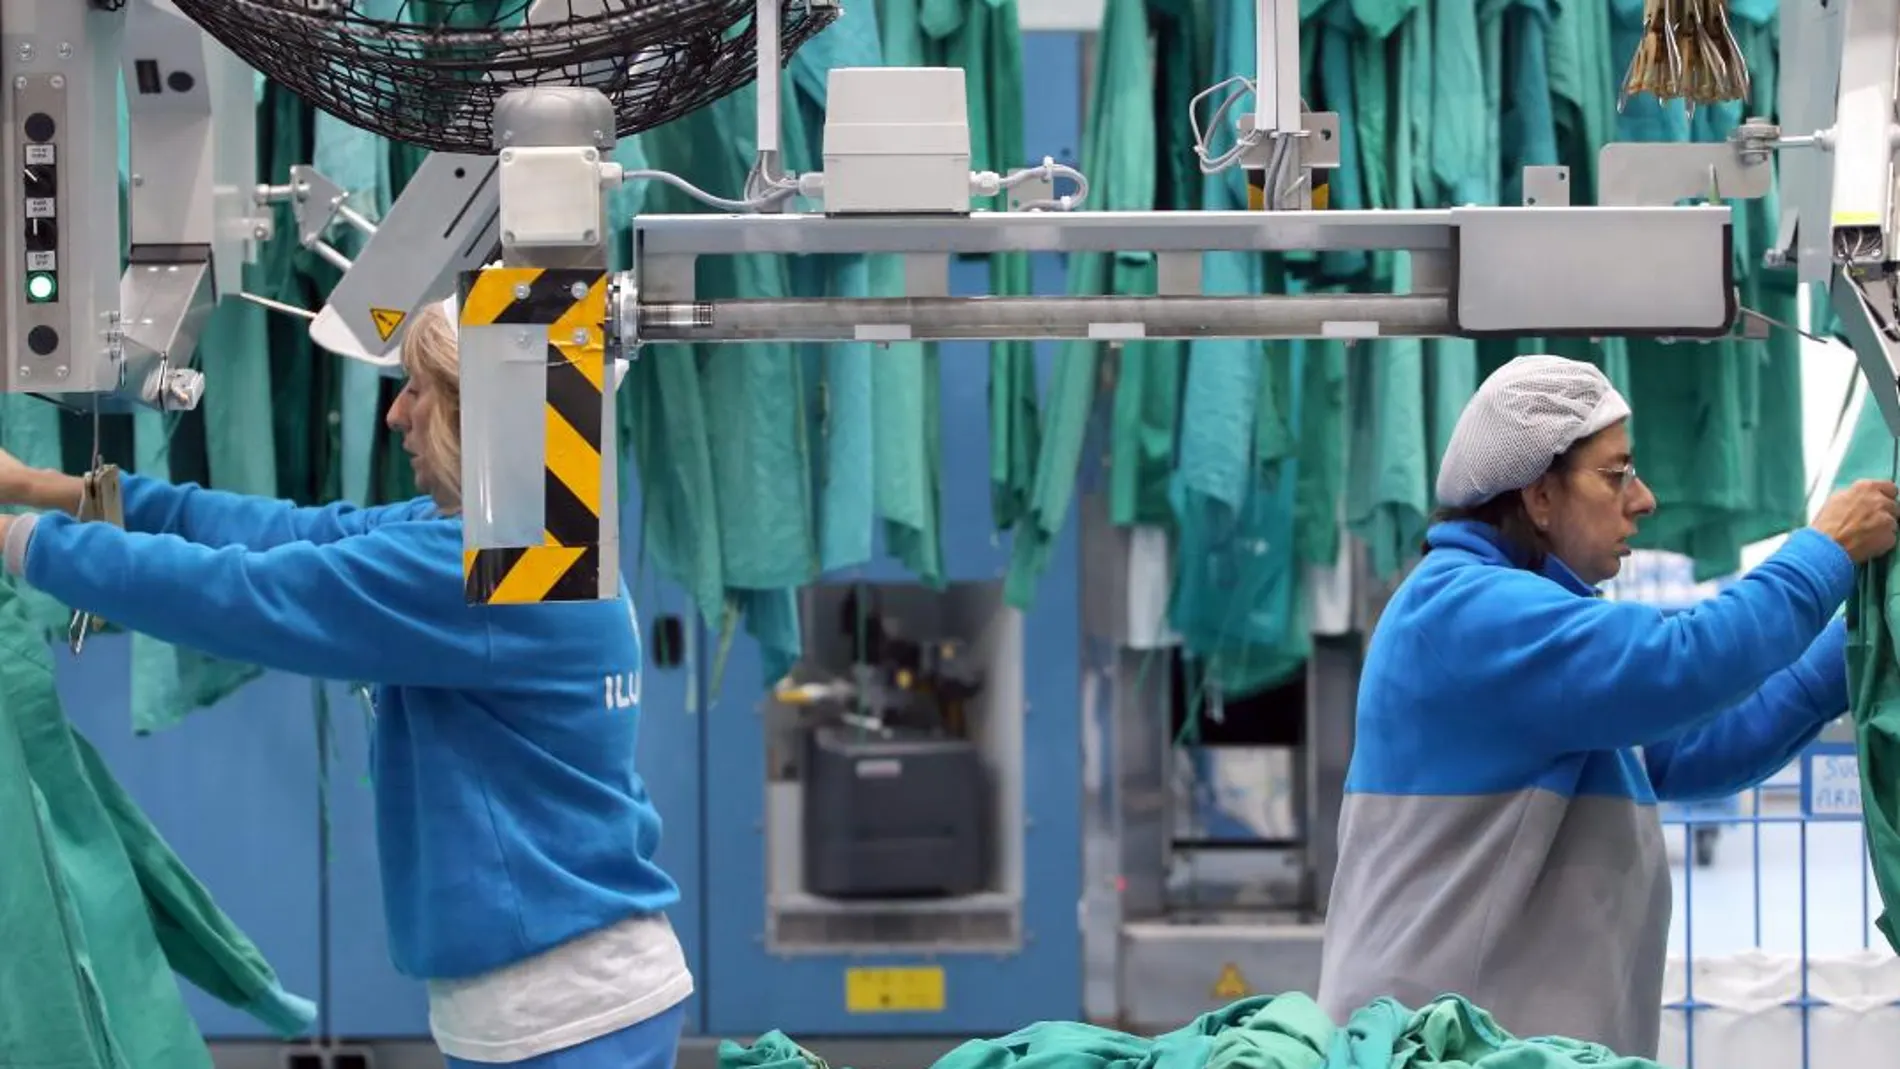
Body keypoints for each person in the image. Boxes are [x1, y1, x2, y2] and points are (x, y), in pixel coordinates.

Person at [0, 299, 691, 1069]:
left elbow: (240, 594)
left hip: (565, 1014)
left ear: (476, 409)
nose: (396, 414)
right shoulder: (536, 541)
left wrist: (17, 541)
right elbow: (287, 534)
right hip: (562, 1001)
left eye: (416, 389)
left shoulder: (495, 575)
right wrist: (41, 487)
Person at [1315, 355, 1900, 1059]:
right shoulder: (1466, 611)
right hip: (1442, 1047)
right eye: (1616, 473)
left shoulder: (1530, 631)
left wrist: (1868, 639)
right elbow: (1680, 660)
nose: (1644, 498)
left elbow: (1696, 744)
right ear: (1538, 497)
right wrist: (1826, 549)